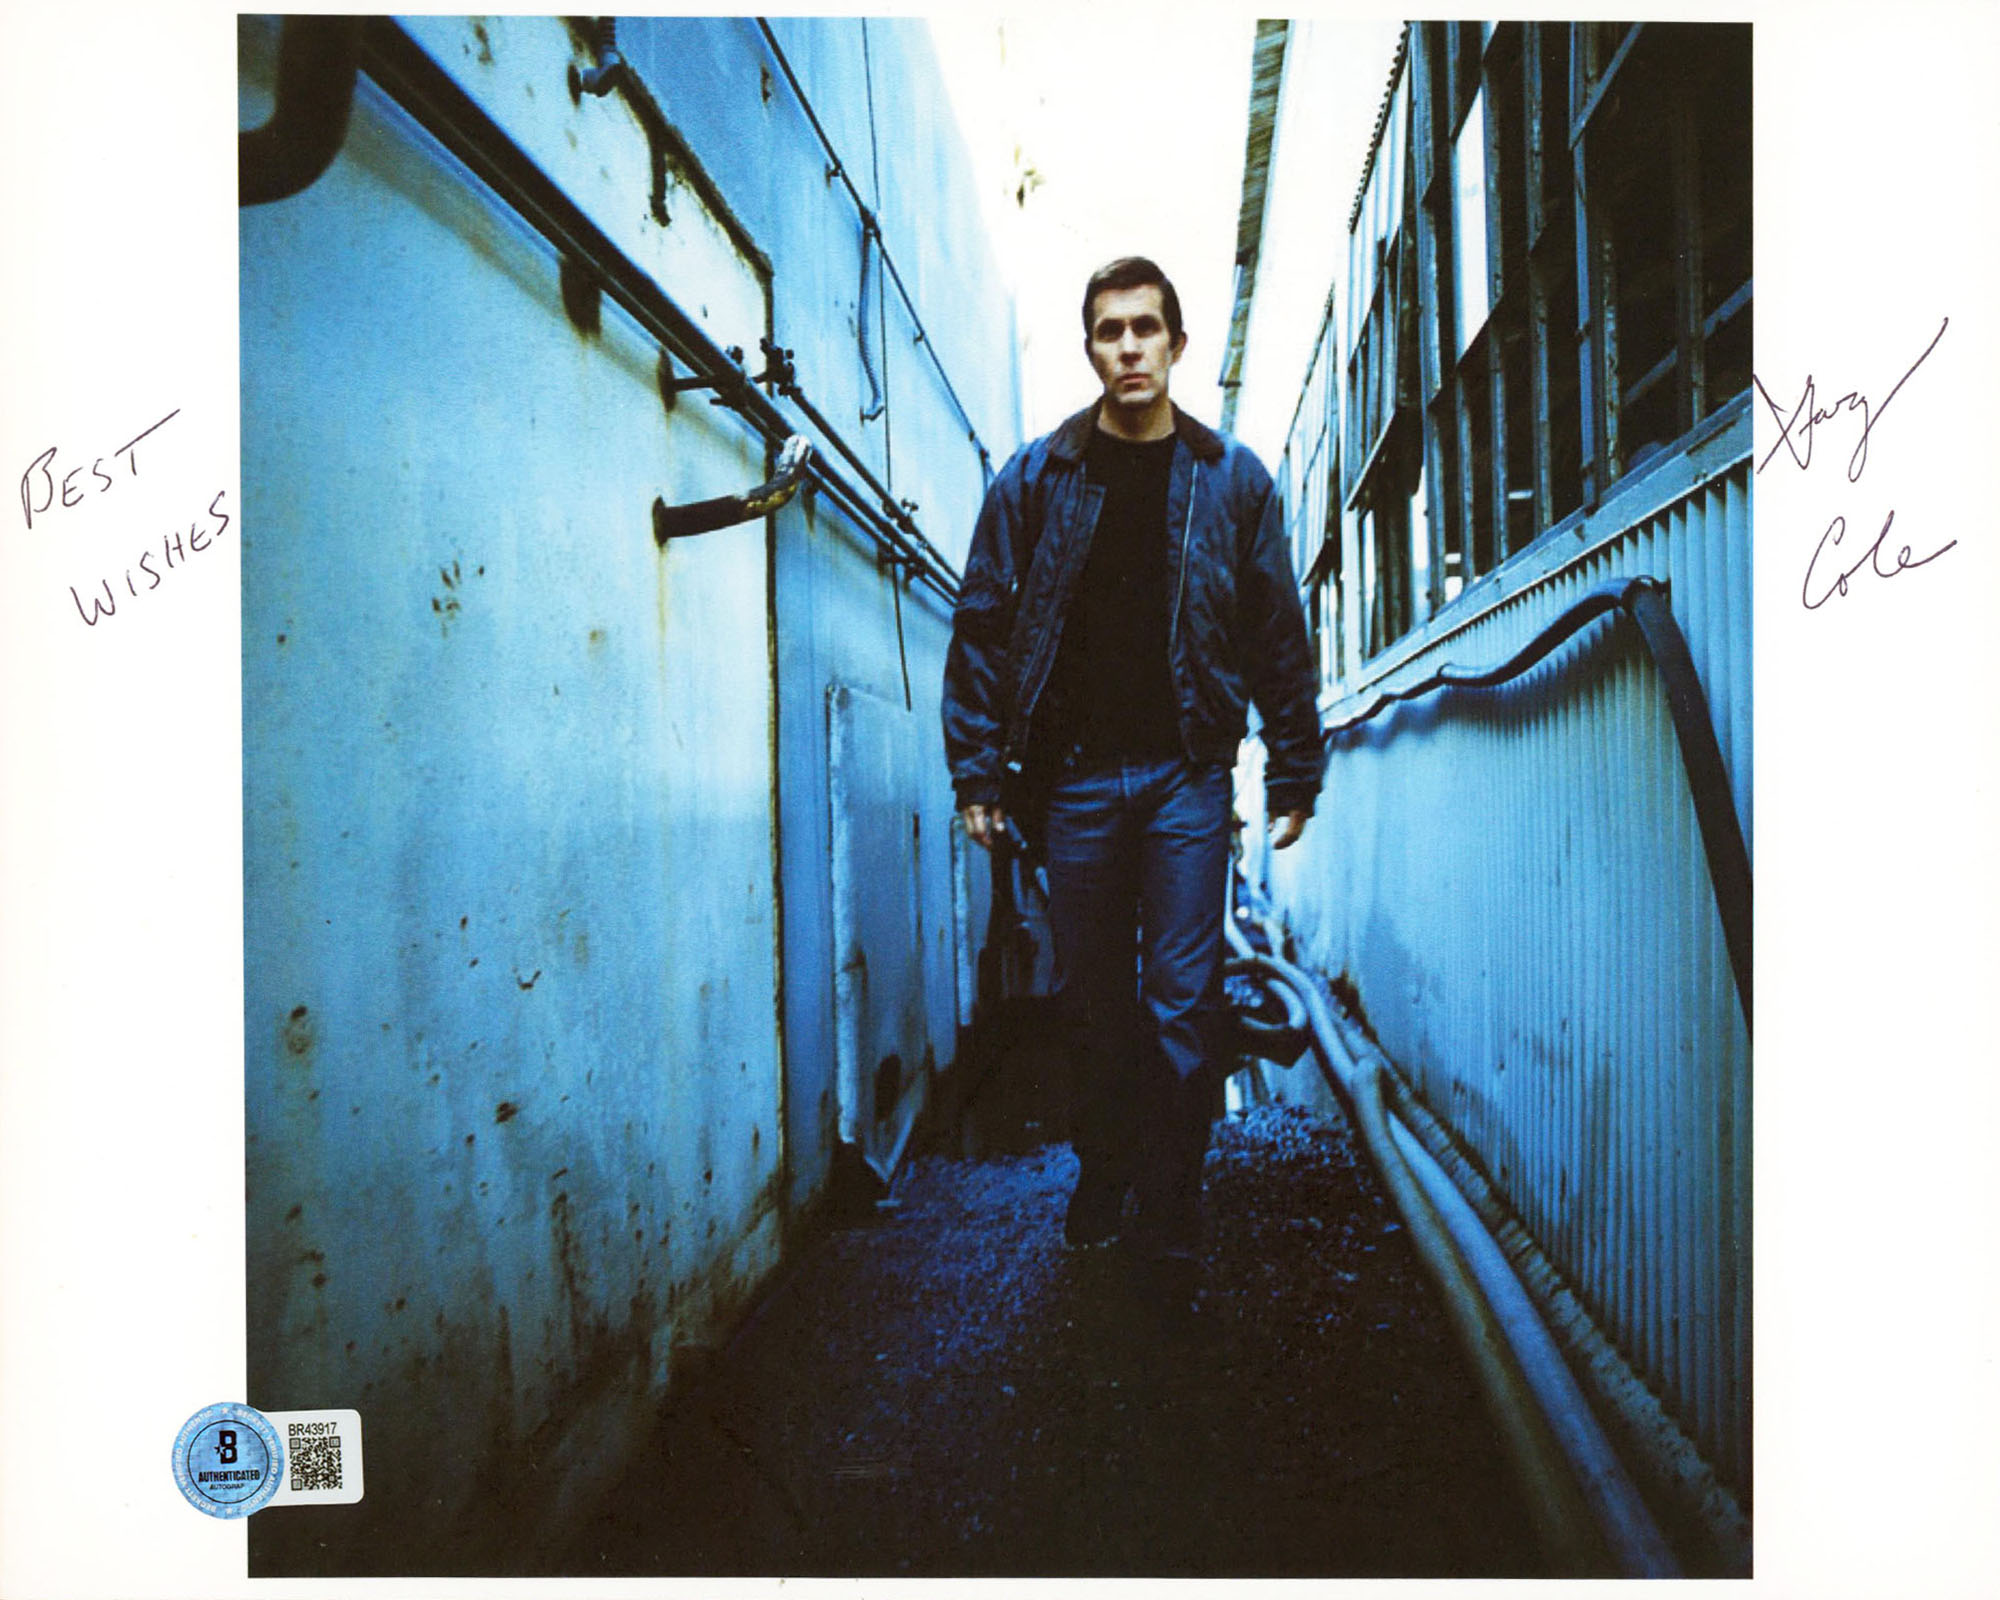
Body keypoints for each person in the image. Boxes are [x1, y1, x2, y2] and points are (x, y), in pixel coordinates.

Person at [942, 256, 1324, 1300]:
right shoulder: (1035, 480)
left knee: (1182, 999)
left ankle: (1171, 1201)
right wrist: (977, 770)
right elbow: (983, 625)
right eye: (1109, 331)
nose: (1128, 348)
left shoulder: (1230, 479)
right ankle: (1105, 1164)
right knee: (1092, 999)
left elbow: (1273, 631)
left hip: (1185, 778)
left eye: (1144, 328)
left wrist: (1293, 766)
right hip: (1072, 784)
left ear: (1175, 343)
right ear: (1090, 349)